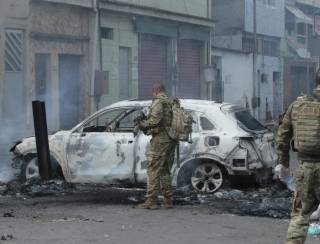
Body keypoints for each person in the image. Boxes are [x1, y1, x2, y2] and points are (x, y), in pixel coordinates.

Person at [276, 70, 320, 244]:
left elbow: (282, 137)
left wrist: (282, 164)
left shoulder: (297, 106)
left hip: (304, 169)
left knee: (301, 216)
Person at [136, 83, 177, 210]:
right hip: (171, 139)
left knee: (153, 169)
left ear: (155, 91)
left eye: (152, 93)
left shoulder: (159, 102)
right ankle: (168, 200)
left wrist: (142, 124)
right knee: (165, 170)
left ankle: (151, 201)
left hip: (160, 140)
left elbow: (155, 121)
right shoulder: (171, 101)